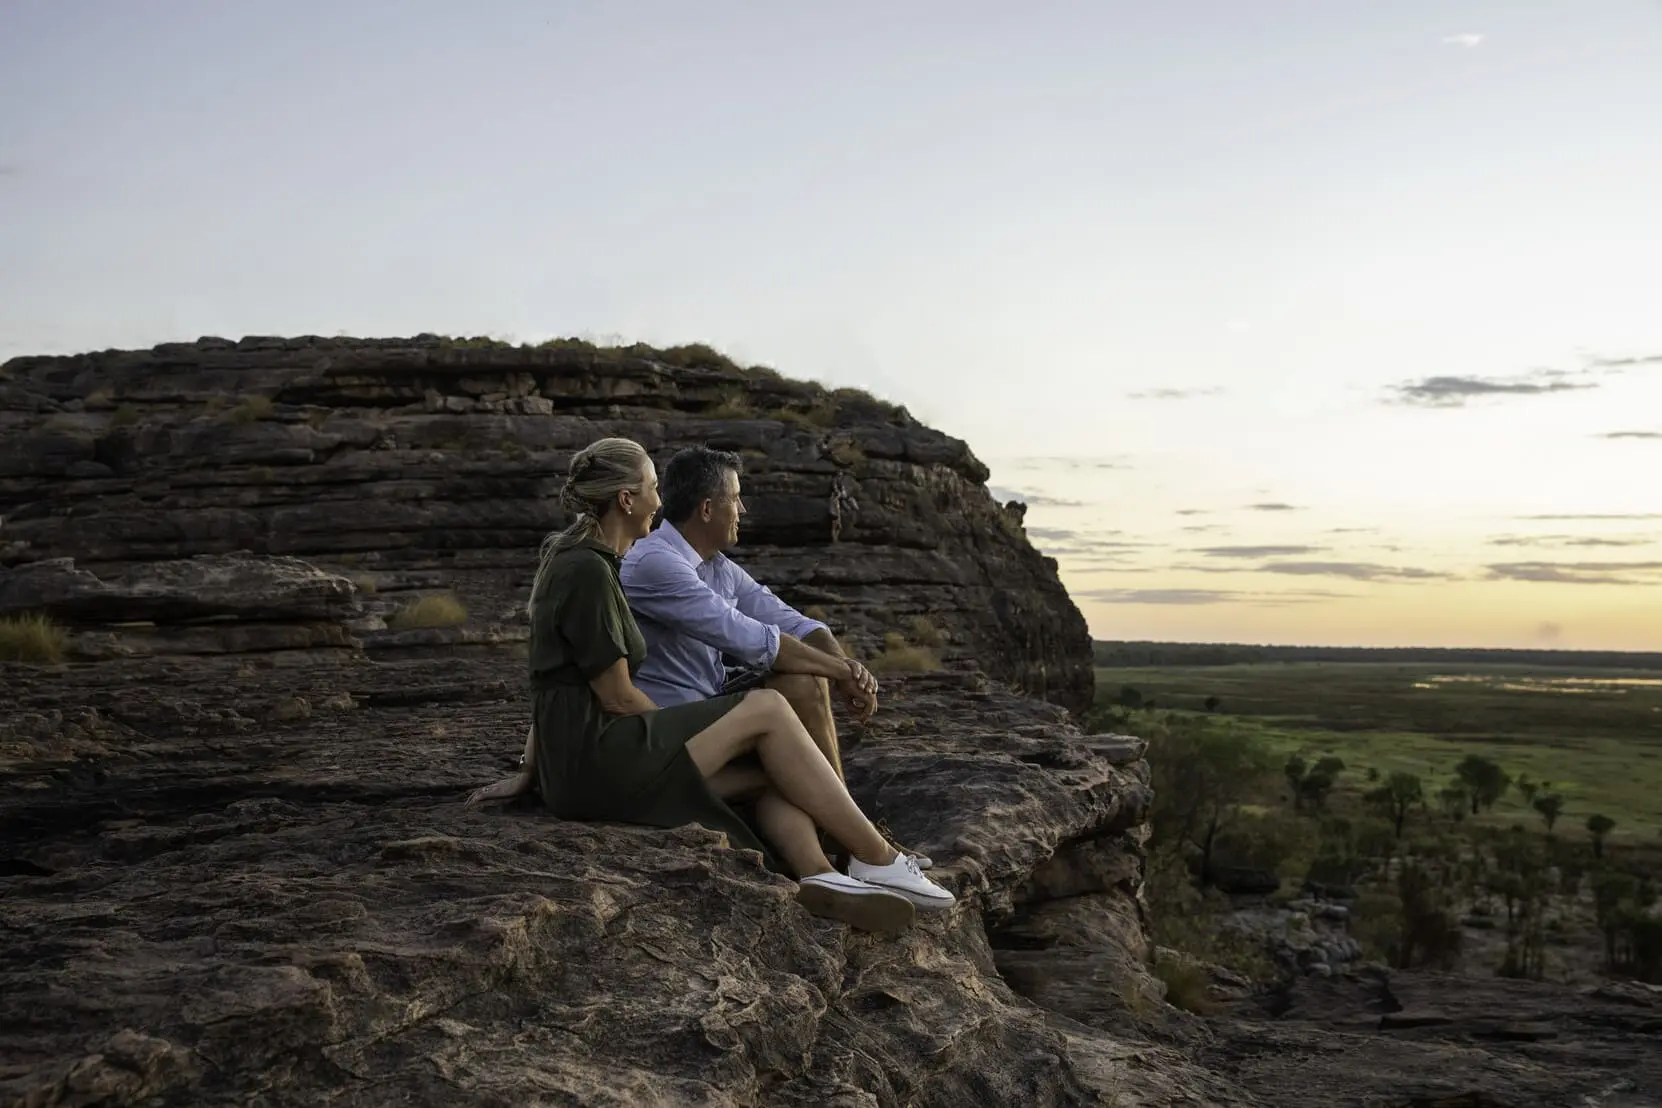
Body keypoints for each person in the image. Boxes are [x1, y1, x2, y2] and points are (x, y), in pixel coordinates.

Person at [465, 436, 953, 932]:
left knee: (779, 768)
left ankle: (822, 874)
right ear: (627, 499)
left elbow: (560, 677)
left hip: (600, 759)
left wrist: (532, 768)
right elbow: (610, 691)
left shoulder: (593, 562)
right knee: (767, 709)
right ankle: (876, 856)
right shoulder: (604, 569)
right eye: (652, 488)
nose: (660, 501)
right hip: (609, 759)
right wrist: (664, 747)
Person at [618, 444, 932, 869]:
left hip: (706, 703)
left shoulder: (718, 566)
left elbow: (794, 622)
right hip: (670, 722)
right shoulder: (656, 562)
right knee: (794, 682)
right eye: (736, 498)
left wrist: (843, 672)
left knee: (802, 679)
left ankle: (847, 843)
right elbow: (751, 639)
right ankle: (857, 842)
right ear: (708, 508)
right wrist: (842, 670)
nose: (743, 509)